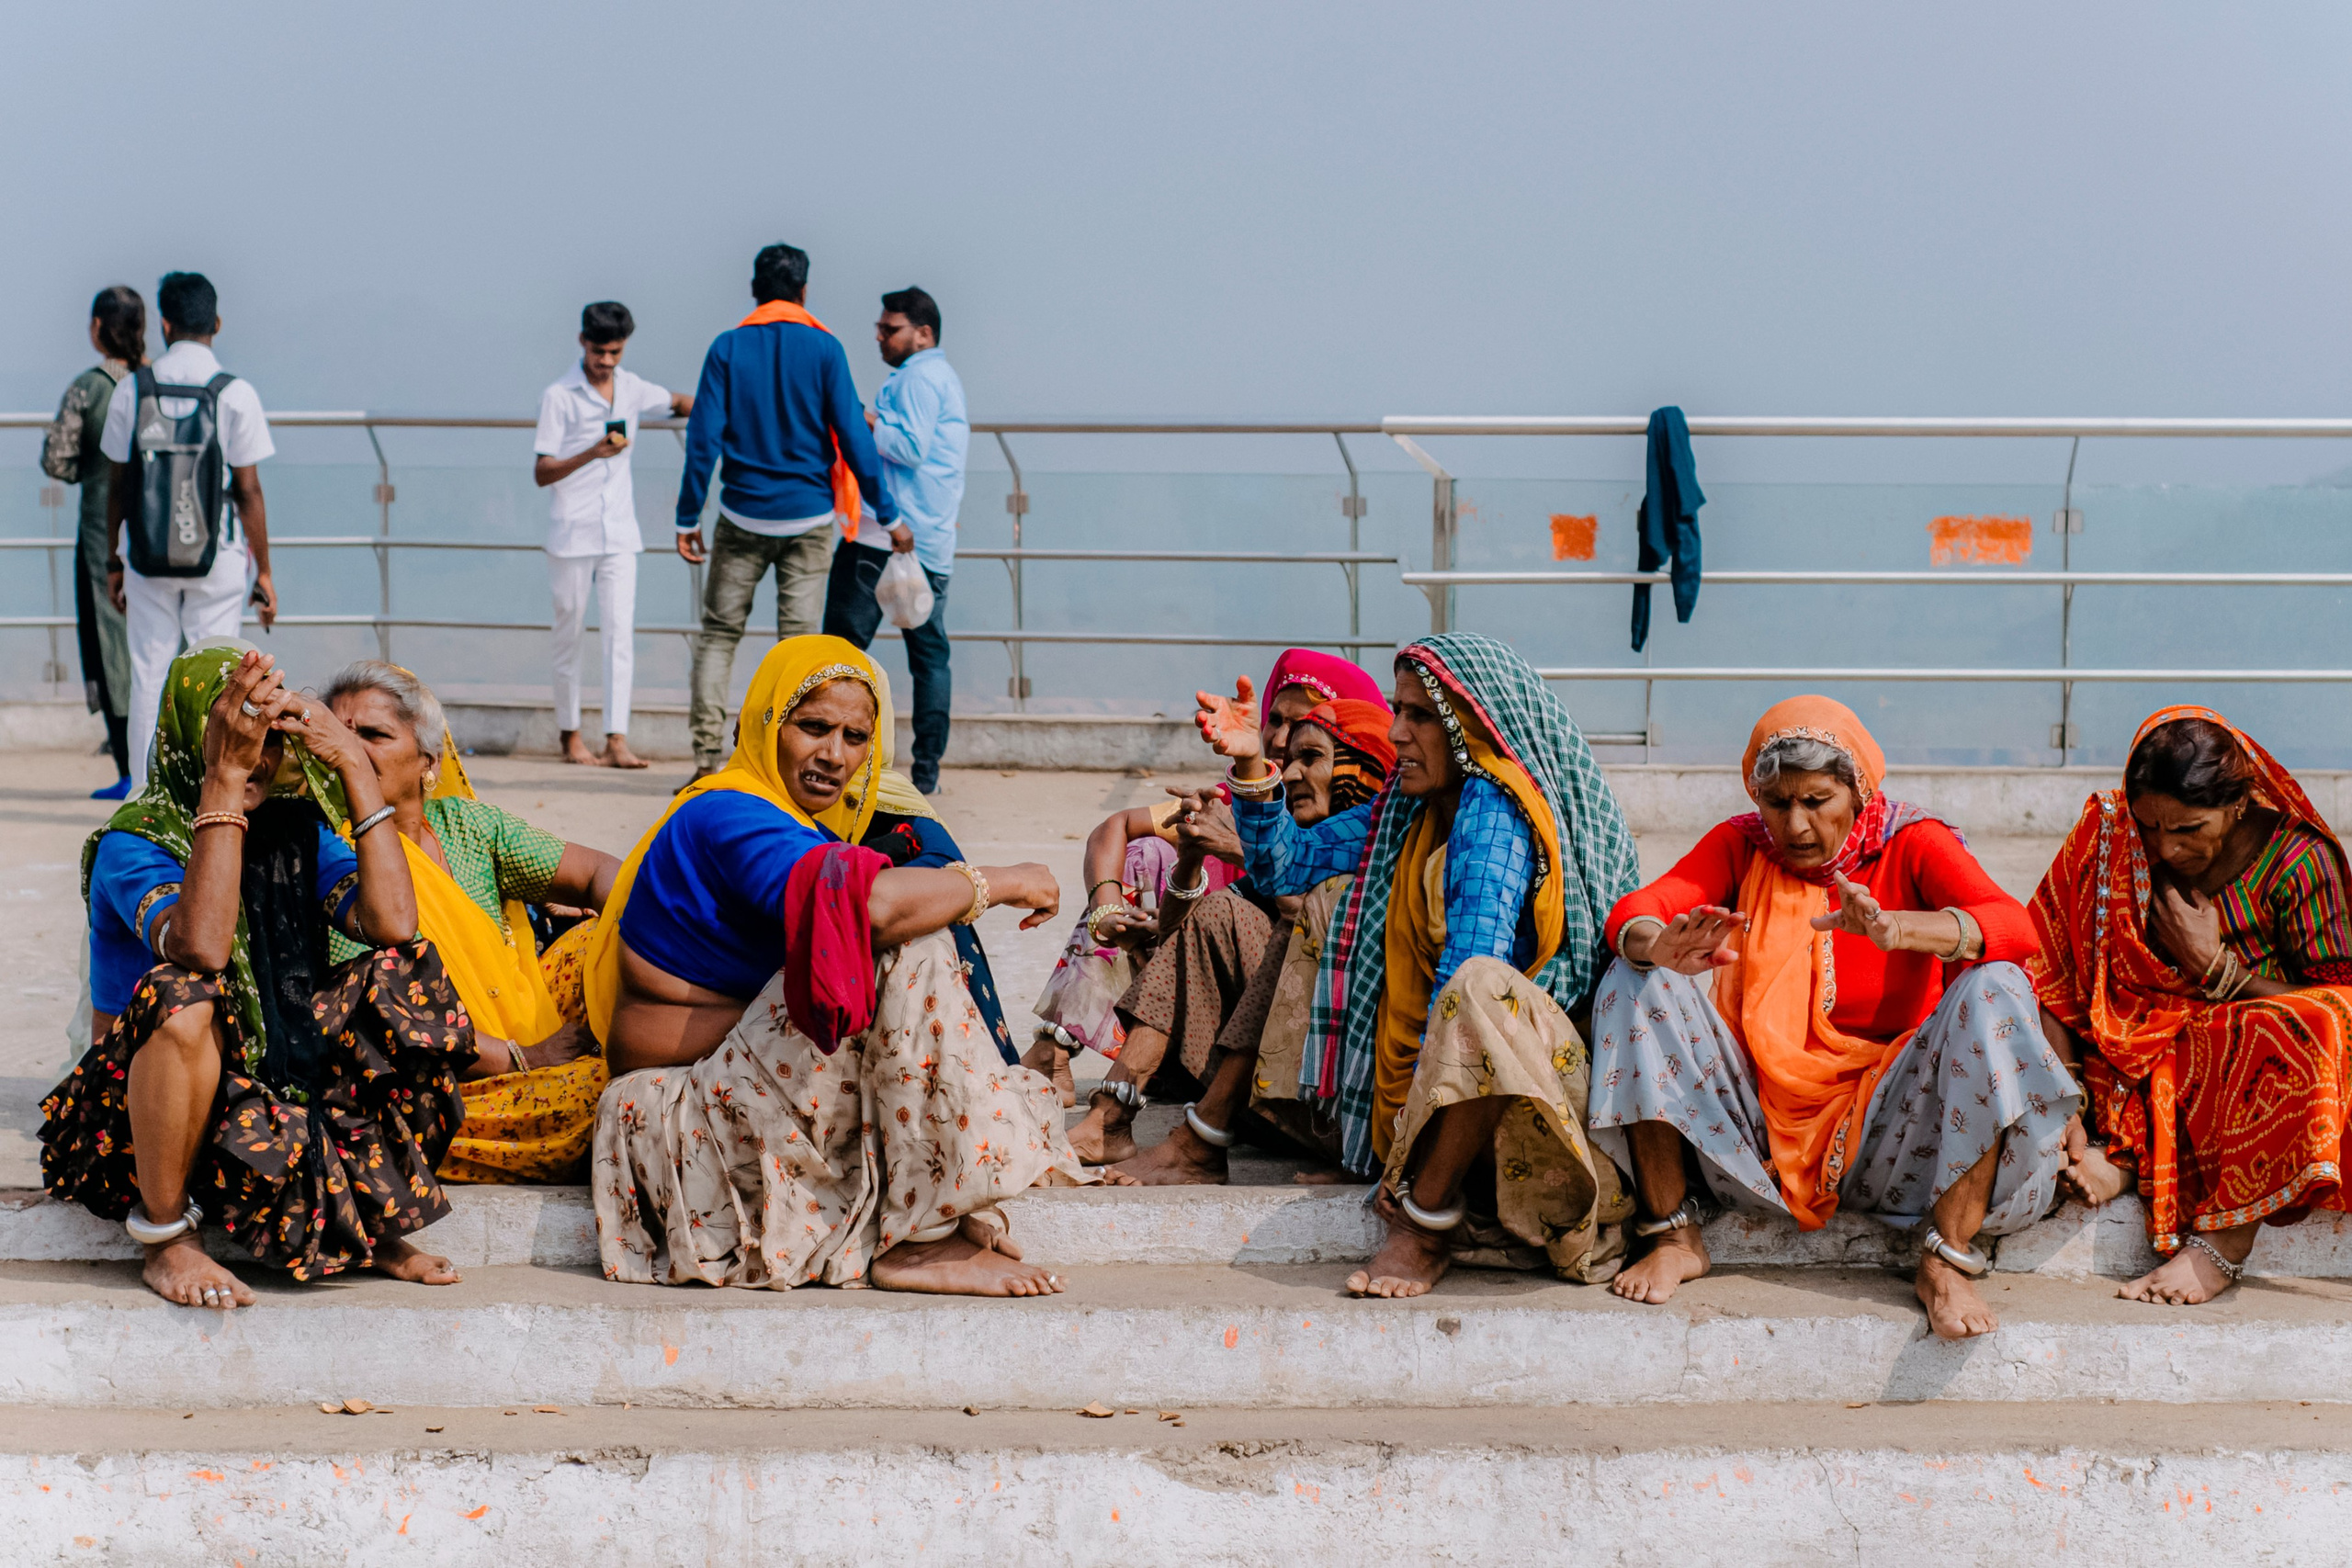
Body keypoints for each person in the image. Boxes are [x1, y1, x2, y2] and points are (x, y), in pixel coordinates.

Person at [586, 635, 1106, 1295]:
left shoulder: (800, 825)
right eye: (813, 727)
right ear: (766, 724)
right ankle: (921, 1241)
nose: (834, 755)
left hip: (741, 1086)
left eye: (855, 737)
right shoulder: (729, 814)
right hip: (679, 1112)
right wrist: (998, 881)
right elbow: (873, 911)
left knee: (908, 934)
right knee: (908, 943)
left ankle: (928, 1205)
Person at [1590, 696, 2078, 1341]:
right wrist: (1657, 945)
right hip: (1760, 1137)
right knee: (1634, 974)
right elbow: (1640, 907)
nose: (1794, 825)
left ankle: (1947, 1259)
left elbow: (2014, 926)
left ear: (1858, 793)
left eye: (1816, 801)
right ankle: (1673, 1235)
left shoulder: (1911, 841)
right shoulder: (1742, 844)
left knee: (1997, 984)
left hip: (1894, 1135)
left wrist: (1899, 929)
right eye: (1776, 802)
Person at [40, 642, 473, 1310]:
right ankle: (167, 1237)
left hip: (263, 1079)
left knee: (400, 975)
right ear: (192, 738)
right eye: (234, 736)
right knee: (184, 997)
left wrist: (352, 765)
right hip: (139, 1119)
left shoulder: (295, 827)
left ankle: (369, 1217)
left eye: (268, 739)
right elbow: (202, 949)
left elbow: (392, 923)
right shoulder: (136, 842)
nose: (258, 758)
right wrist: (224, 781)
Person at [1264, 634, 1643, 1297]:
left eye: (1420, 715)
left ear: (1468, 725)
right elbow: (1289, 864)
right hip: (1447, 1084)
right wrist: (1250, 768)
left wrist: (1412, 1149)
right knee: (1330, 901)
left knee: (1477, 987)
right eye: (1397, 711)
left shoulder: (1493, 812)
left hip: (1519, 1087)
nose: (1396, 733)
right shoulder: (1406, 811)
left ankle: (1425, 1224)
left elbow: (1467, 980)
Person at [2030, 705, 2352, 1306]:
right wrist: (2064, 1097)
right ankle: (2119, 1153)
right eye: (2150, 825)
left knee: (2316, 1022)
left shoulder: (2300, 861)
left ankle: (2224, 1242)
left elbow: (2339, 1006)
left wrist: (2217, 971)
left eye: (2189, 828)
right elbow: (2048, 962)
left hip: (2247, 1072)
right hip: (2120, 1062)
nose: (2165, 847)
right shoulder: (2111, 835)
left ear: (2239, 805)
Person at [1056, 648, 1387, 1149]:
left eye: (1310, 752)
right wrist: (1188, 859)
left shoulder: (1381, 835)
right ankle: (1101, 1103)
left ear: (1360, 764)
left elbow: (1303, 915)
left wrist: (1239, 845)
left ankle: (1176, 1130)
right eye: (1276, 723)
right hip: (1243, 1030)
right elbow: (1179, 932)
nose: (1283, 751)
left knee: (1240, 914)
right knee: (1155, 858)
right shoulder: (1249, 801)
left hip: (1333, 1079)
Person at [322, 660, 624, 1182]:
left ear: (428, 762)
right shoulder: (330, 853)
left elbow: (600, 873)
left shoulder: (465, 825)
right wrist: (524, 1056)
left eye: (373, 735)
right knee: (601, 1094)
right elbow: (381, 1012)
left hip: (525, 1028)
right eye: (339, 736)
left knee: (604, 936)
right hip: (434, 1085)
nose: (351, 751)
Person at [675, 245, 895, 785]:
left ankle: (706, 760)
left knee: (719, 635)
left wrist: (687, 516)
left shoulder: (727, 348)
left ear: (755, 290)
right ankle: (788, 769)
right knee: (799, 649)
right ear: (803, 291)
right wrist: (888, 513)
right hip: (808, 521)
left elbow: (703, 439)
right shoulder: (825, 348)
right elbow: (854, 436)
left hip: (741, 516)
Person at [100, 273, 277, 795]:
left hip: (146, 555)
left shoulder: (133, 389)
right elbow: (248, 490)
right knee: (214, 674)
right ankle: (208, 792)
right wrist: (264, 570)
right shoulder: (235, 393)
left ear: (165, 324)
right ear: (216, 324)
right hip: (217, 556)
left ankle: (141, 795)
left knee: (149, 673)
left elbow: (117, 485)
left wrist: (113, 559)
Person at [821, 286, 968, 795]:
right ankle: (926, 775)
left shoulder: (918, 378)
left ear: (922, 334)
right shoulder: (941, 377)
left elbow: (907, 447)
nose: (880, 337)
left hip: (885, 536)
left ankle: (828, 758)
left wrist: (860, 417)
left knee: (837, 654)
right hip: (930, 540)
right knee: (929, 658)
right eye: (880, 328)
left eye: (890, 328)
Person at [533, 300, 692, 770]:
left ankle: (616, 738)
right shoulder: (559, 396)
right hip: (572, 533)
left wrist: (729, 407)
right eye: (599, 351)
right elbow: (542, 471)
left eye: (615, 352)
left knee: (620, 636)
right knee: (570, 635)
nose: (606, 361)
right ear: (583, 342)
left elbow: (679, 402)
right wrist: (593, 452)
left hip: (621, 533)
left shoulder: (632, 388)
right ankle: (571, 736)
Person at [42, 286, 146, 797]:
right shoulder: (155, 381)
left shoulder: (89, 387)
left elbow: (55, 460)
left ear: (99, 328)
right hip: (158, 532)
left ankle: (127, 768)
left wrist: (93, 469)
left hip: (101, 533)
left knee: (108, 644)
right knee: (154, 643)